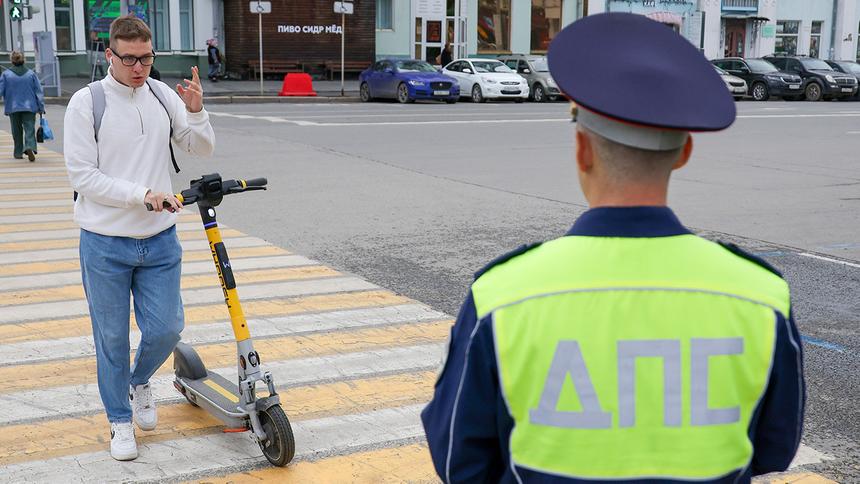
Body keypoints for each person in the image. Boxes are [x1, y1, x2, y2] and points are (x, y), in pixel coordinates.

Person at [422, 13, 805, 483]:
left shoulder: (501, 297)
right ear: (684, 152)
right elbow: (774, 448)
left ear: (582, 150)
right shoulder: (761, 295)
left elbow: (459, 461)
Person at [64, 15, 215, 461]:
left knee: (167, 329)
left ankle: (138, 381)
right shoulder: (87, 103)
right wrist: (142, 195)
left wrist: (196, 112)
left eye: (146, 58)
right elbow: (83, 177)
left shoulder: (161, 95)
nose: (138, 68)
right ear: (109, 54)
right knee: (111, 339)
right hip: (104, 242)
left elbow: (201, 148)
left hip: (160, 239)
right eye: (129, 59)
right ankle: (119, 420)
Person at [0, 51, 45, 162]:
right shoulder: (31, 74)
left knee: (16, 130)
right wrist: (41, 107)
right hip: (29, 106)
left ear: (12, 60)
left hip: (13, 106)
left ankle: (18, 152)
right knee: (29, 128)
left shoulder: (6, 75)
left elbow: (0, 90)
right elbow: (38, 91)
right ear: (24, 60)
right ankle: (29, 146)